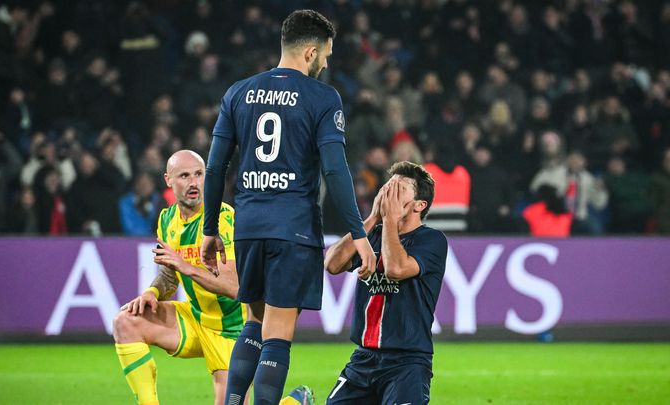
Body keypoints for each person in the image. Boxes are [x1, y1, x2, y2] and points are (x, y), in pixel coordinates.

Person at [200, 9, 376, 405]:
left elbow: (214, 168)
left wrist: (210, 228)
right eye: (327, 55)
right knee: (277, 333)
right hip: (292, 228)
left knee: (253, 323)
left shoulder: (238, 92)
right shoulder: (322, 97)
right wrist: (360, 233)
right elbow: (335, 170)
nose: (328, 63)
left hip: (248, 226)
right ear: (310, 52)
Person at [113, 150, 244, 405]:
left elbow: (234, 287)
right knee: (126, 321)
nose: (193, 182)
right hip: (195, 318)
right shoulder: (167, 219)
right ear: (168, 180)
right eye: (184, 176)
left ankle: (293, 402)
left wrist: (186, 266)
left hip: (232, 329)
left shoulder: (222, 219)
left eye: (198, 174)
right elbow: (169, 275)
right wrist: (151, 292)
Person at [324, 161, 447, 405]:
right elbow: (332, 264)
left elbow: (396, 269)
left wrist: (389, 220)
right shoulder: (373, 233)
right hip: (364, 359)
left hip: (407, 362)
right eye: (388, 187)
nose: (388, 193)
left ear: (419, 205)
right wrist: (372, 218)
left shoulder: (431, 240)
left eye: (399, 189)